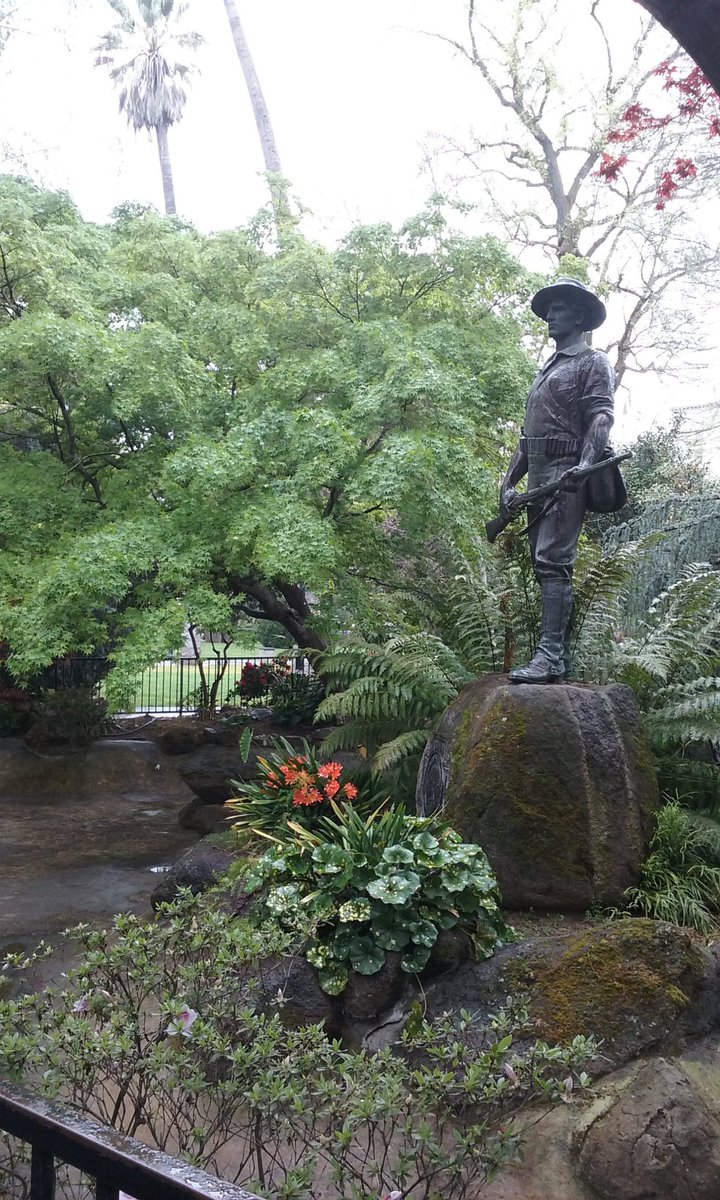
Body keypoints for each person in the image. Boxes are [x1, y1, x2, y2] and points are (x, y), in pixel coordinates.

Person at [499, 277, 616, 684]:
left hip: (566, 473)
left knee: (553, 562)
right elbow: (528, 437)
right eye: (548, 309)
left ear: (579, 317)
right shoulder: (548, 368)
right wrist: (508, 483)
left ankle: (549, 658)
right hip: (539, 474)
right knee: (544, 565)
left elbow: (601, 417)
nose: (550, 315)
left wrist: (584, 464)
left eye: (559, 308)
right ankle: (557, 656)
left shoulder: (592, 362)